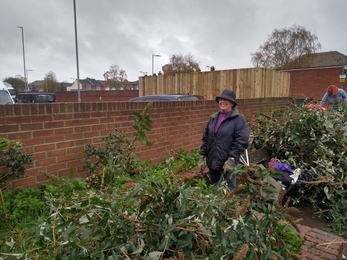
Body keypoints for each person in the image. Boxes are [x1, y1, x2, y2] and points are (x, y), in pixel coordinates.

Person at [198, 89, 249, 191]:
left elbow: (241, 140)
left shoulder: (238, 120)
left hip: (228, 162)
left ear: (232, 103)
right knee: (214, 188)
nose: (222, 102)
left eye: (226, 100)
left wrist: (232, 158)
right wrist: (202, 156)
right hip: (213, 160)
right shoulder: (213, 118)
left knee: (227, 190)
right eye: (220, 99)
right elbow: (206, 137)